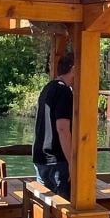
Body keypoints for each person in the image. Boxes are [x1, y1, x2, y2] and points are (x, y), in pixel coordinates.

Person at [32, 53, 75, 199]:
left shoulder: (48, 88)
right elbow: (62, 127)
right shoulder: (64, 92)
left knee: (44, 204)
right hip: (57, 160)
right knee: (64, 206)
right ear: (73, 69)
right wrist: (71, 161)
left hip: (40, 157)